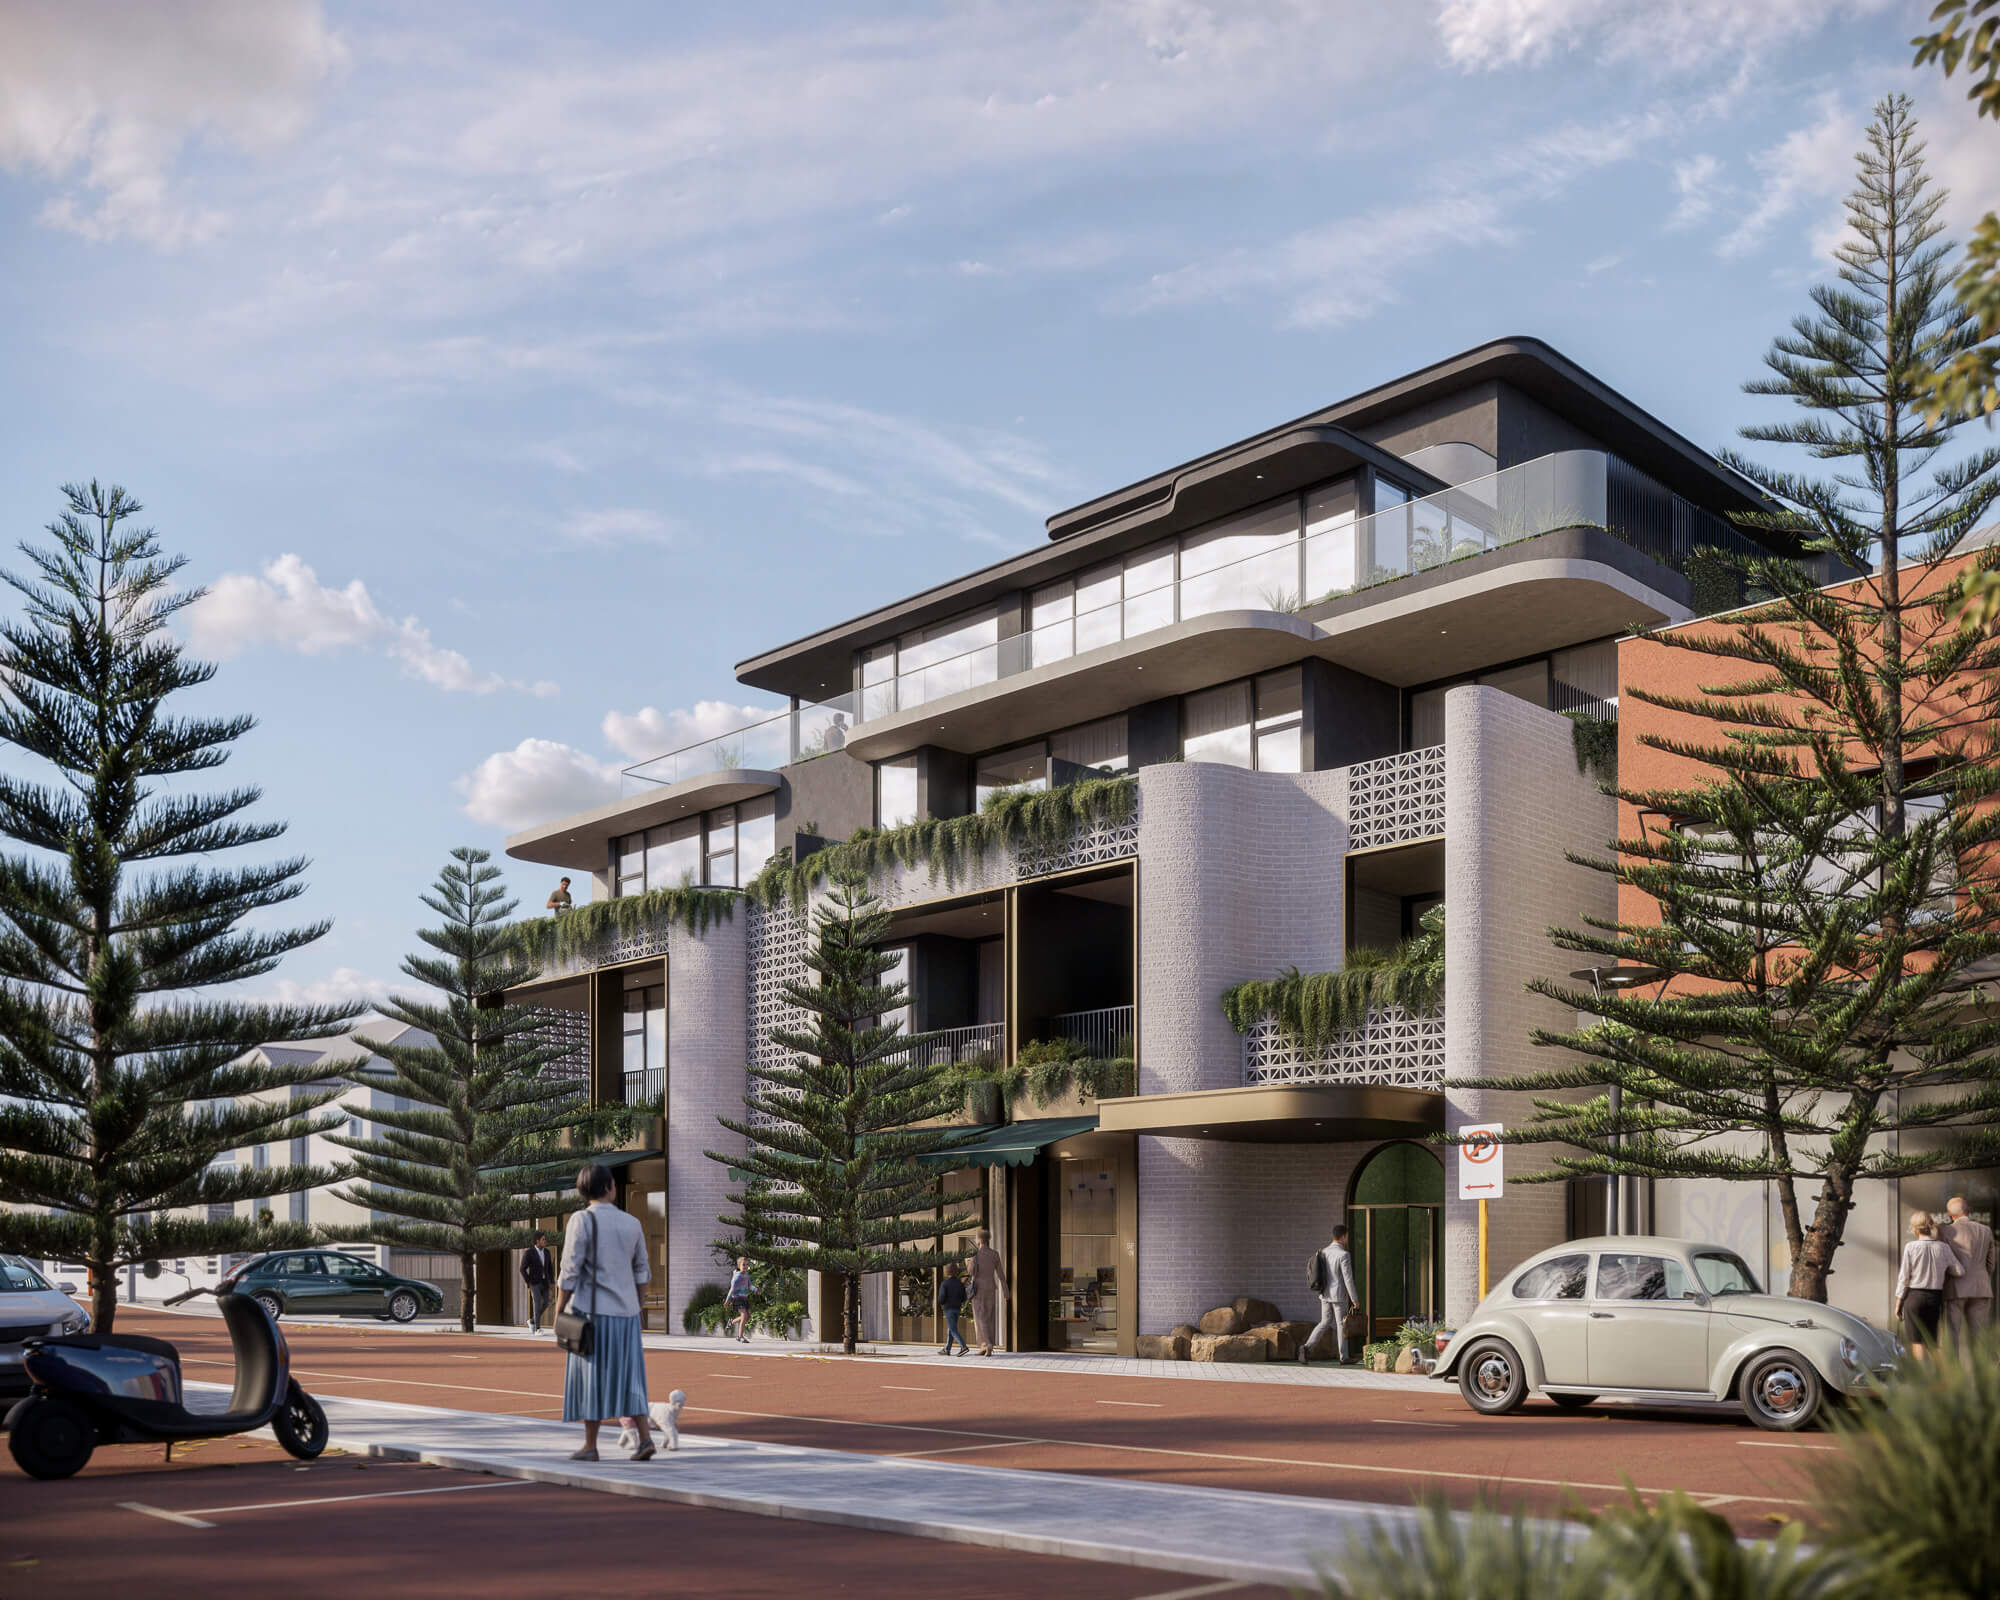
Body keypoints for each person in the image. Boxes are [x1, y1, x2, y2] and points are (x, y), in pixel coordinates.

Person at [556, 1164, 656, 1461]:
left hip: (591, 1313)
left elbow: (570, 1270)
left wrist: (559, 1309)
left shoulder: (581, 1220)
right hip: (626, 1314)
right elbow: (642, 1271)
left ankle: (590, 1445)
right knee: (631, 1377)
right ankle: (645, 1439)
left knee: (591, 1378)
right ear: (610, 1186)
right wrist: (638, 1307)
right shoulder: (632, 1223)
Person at [1894, 1209, 1962, 1361]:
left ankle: (1923, 1382)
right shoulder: (1943, 1247)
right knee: (1933, 1343)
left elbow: (1904, 1278)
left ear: (1915, 1228)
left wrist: (1898, 1303)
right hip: (1935, 1298)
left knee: (1917, 1342)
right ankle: (1945, 1377)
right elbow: (1959, 1271)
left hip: (1915, 1297)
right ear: (1930, 1225)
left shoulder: (1911, 1247)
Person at [1940, 1195, 1995, 1349]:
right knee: (1980, 1334)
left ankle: (1953, 1371)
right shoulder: (1986, 1230)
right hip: (1980, 1287)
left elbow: (1942, 1261)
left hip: (1955, 1288)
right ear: (1968, 1211)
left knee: (1952, 1334)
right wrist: (1982, 1278)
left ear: (1949, 1215)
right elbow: (1991, 1264)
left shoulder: (1946, 1231)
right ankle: (1987, 1370)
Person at [1301, 1223, 1360, 1365]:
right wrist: (1354, 1299)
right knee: (1341, 1325)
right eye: (1347, 1236)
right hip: (1338, 1296)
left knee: (1324, 1322)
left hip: (1324, 1294)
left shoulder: (1323, 1252)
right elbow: (1348, 1279)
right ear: (1344, 1236)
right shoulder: (1344, 1255)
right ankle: (1343, 1356)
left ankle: (1306, 1347)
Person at [967, 1228, 1007, 1357]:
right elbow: (1001, 1274)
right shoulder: (995, 1254)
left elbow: (970, 1272)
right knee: (989, 1316)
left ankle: (987, 1344)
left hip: (978, 1288)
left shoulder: (975, 1255)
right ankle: (985, 1345)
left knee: (979, 1316)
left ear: (978, 1239)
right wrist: (1006, 1291)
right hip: (991, 1287)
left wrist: (968, 1262)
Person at [520, 1230, 555, 1333]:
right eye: (543, 1239)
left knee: (547, 1303)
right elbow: (522, 1268)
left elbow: (550, 1269)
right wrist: (528, 1281)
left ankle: (532, 1321)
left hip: (544, 1282)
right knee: (537, 1304)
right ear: (537, 1241)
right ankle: (537, 1328)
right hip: (534, 1283)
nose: (545, 1241)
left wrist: (552, 1282)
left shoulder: (547, 1252)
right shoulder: (529, 1253)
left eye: (545, 1239)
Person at [938, 1263, 970, 1356]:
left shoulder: (945, 1283)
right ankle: (947, 1349)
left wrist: (942, 1303)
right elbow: (964, 1297)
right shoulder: (960, 1284)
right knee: (951, 1328)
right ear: (956, 1271)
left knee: (953, 1329)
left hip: (948, 1309)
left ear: (947, 1271)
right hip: (957, 1308)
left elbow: (941, 1298)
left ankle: (963, 1346)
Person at [726, 1256, 754, 1344]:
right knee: (744, 1315)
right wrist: (727, 1300)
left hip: (745, 1298)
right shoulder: (737, 1277)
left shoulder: (747, 1275)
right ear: (739, 1266)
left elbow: (750, 1286)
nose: (745, 1266)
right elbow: (732, 1289)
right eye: (743, 1264)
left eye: (747, 1264)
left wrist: (756, 1290)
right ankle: (740, 1336)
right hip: (737, 1298)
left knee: (748, 1317)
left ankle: (731, 1322)